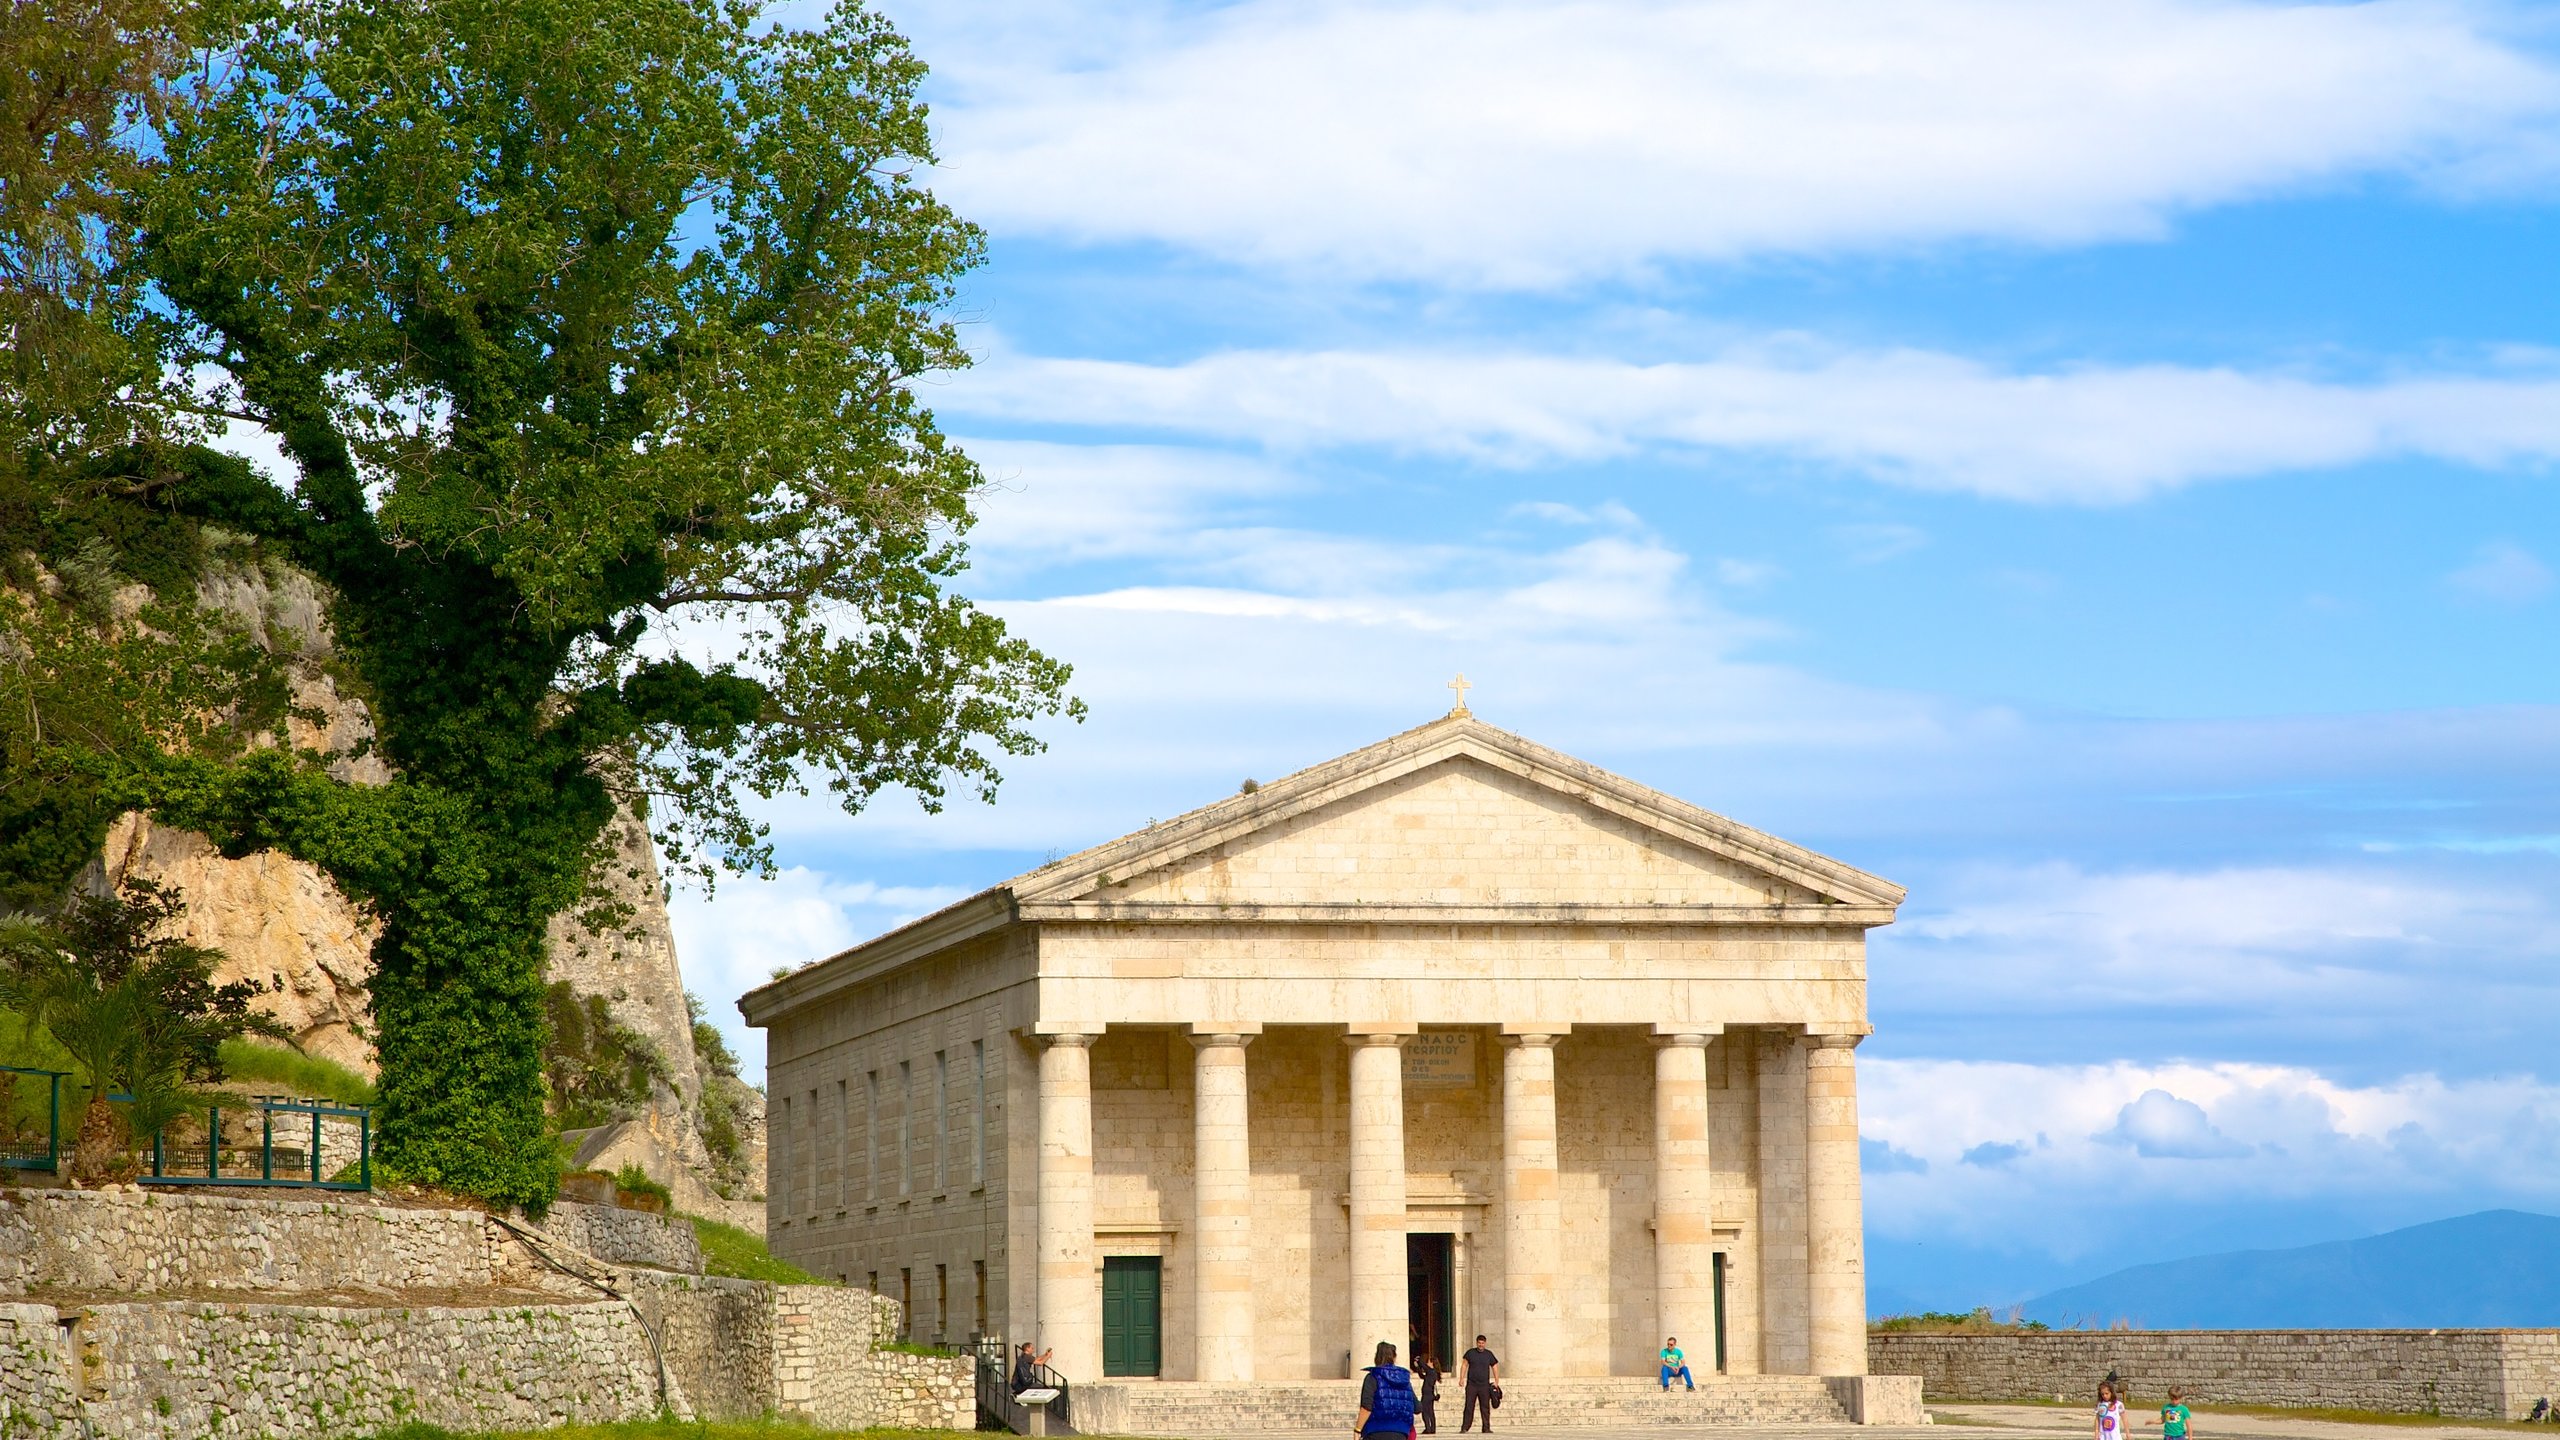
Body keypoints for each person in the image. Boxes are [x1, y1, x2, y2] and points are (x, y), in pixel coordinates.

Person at [1357, 1340, 1420, 1439]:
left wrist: (1357, 1429)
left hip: (1375, 1431)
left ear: (1376, 1357)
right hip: (1400, 1433)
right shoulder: (1404, 1379)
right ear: (1394, 1357)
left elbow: (1366, 1407)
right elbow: (1417, 1408)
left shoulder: (1372, 1377)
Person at [1460, 1334, 1500, 1434]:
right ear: (1476, 1343)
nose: (1481, 1345)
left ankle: (1486, 1428)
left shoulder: (1488, 1354)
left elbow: (1494, 1366)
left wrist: (1496, 1380)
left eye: (1482, 1343)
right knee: (1469, 1406)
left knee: (1485, 1407)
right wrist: (1461, 1378)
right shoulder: (1470, 1353)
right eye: (1479, 1343)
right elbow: (1464, 1365)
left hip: (1484, 1386)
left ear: (1485, 1343)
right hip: (1472, 1385)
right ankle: (1465, 1427)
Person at [1414, 1350, 1443, 1434]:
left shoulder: (1431, 1371)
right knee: (1430, 1412)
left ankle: (1428, 1428)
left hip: (1427, 1394)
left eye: (1429, 1362)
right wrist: (1417, 1367)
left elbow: (1423, 1365)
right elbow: (1422, 1376)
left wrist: (1419, 1359)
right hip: (1430, 1394)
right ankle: (1432, 1429)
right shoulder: (1432, 1373)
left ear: (1432, 1363)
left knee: (1425, 1412)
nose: (1427, 1363)